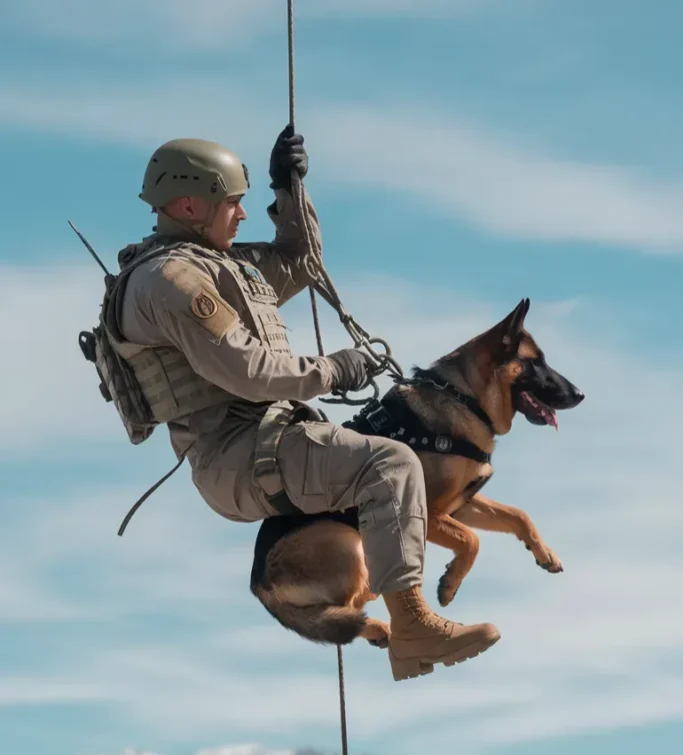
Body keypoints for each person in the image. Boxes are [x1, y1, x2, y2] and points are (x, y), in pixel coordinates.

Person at [103, 125, 500, 679]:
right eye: (232, 203)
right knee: (391, 463)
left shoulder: (215, 266)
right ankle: (412, 628)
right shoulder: (170, 282)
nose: (240, 215)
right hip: (237, 455)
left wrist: (288, 189)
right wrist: (336, 369)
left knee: (388, 463)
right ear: (190, 204)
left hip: (263, 442)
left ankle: (392, 621)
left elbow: (301, 261)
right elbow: (250, 372)